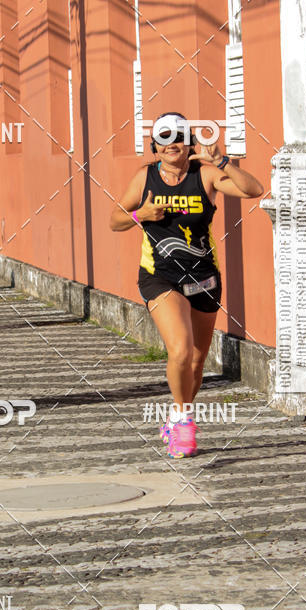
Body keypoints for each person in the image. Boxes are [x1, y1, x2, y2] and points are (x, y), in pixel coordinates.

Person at [110, 113, 263, 458]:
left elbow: (254, 190)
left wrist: (221, 160)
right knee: (179, 349)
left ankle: (178, 415)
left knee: (195, 363)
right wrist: (140, 216)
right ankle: (183, 421)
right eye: (164, 138)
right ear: (155, 145)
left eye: (178, 137)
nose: (171, 145)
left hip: (204, 277)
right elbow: (114, 220)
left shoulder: (205, 174)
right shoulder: (144, 178)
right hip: (160, 275)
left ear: (189, 142)